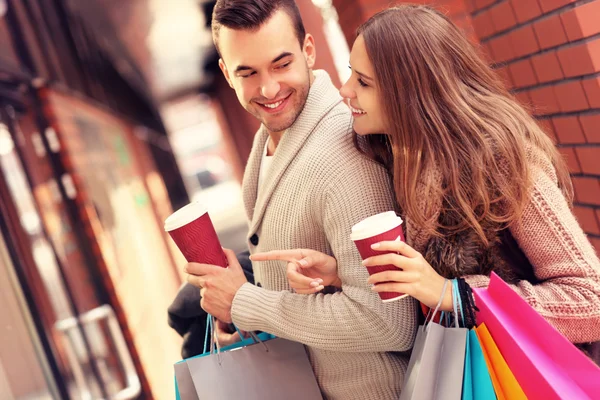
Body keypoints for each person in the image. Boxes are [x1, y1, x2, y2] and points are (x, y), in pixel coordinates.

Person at [252, 4, 600, 361]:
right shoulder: (397, 156)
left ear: (412, 92)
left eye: (364, 82)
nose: (346, 90)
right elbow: (425, 293)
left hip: (537, 377)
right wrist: (342, 277)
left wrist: (455, 295)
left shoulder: (502, 159)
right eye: (351, 74)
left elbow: (591, 301)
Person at [181, 1, 418, 399]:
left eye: (281, 64)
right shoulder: (267, 143)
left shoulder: (345, 155)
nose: (269, 89)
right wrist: (236, 311)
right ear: (226, 73)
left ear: (309, 51)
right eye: (248, 72)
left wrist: (246, 301)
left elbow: (390, 320)